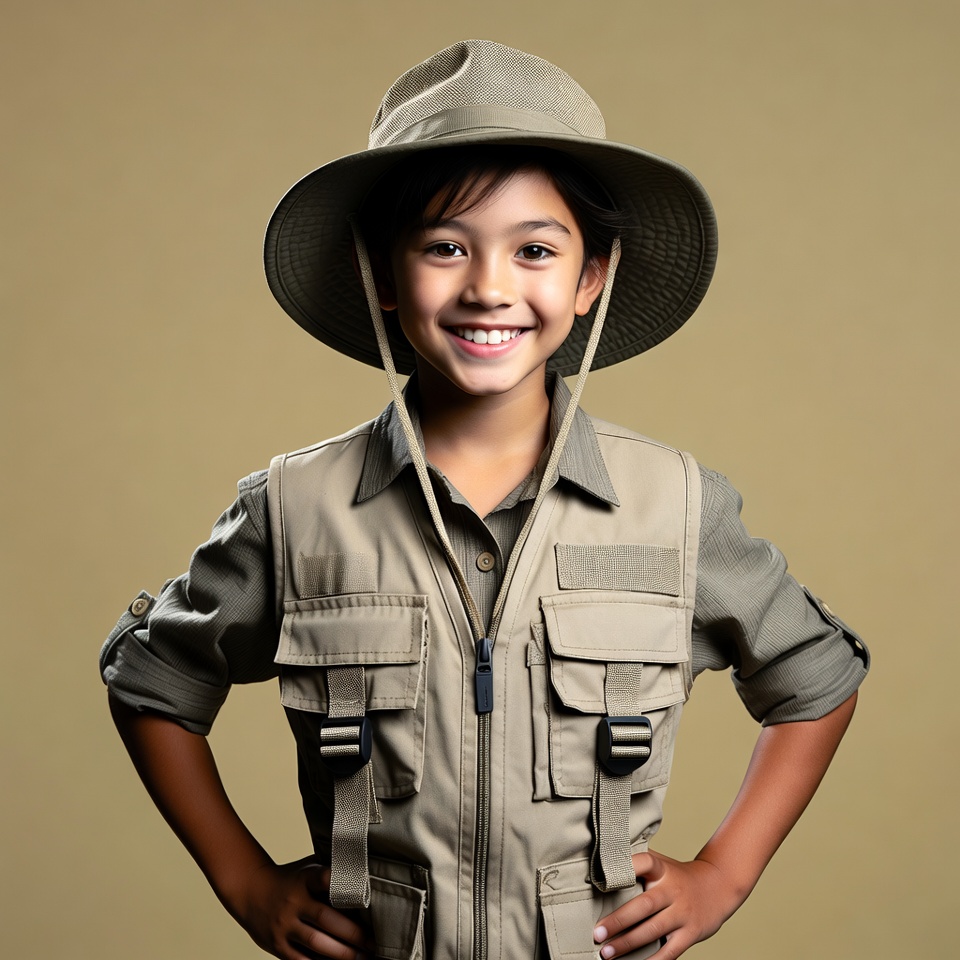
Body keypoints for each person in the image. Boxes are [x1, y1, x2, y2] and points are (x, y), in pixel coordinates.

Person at [100, 40, 869, 960]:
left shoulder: (674, 504)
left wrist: (724, 875)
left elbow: (815, 679)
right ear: (383, 275)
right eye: (445, 247)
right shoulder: (293, 508)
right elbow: (153, 684)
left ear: (591, 277)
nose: (489, 287)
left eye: (535, 250)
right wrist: (245, 882)